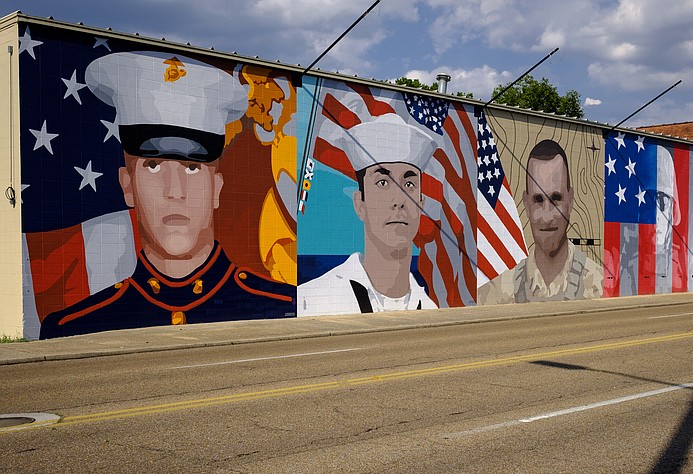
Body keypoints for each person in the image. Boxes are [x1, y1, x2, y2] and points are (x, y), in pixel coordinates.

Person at [40, 51, 295, 339]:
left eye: (192, 167)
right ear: (127, 186)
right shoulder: (73, 327)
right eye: (153, 165)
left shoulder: (281, 304)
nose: (175, 191)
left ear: (217, 189)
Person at [298, 113, 437, 315]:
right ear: (360, 203)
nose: (399, 200)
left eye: (409, 184)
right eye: (382, 183)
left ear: (421, 204)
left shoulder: (428, 308)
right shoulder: (308, 301)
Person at [478, 139, 602, 304]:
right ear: (526, 205)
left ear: (570, 201)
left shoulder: (599, 284)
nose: (547, 216)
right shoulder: (494, 295)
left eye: (556, 198)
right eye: (538, 199)